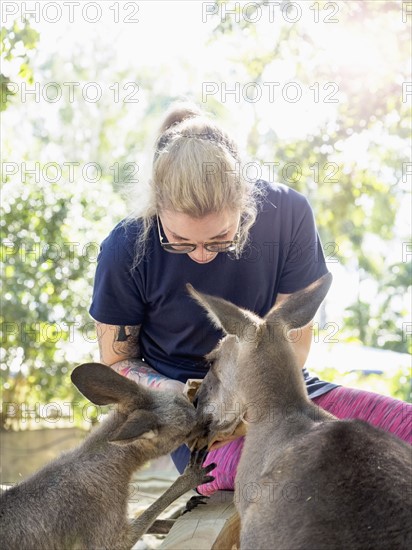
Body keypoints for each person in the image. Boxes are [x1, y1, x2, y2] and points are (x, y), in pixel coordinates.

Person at [89, 102, 411, 495]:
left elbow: (295, 341)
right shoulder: (124, 249)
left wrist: (244, 402)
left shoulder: (288, 214)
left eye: (220, 239)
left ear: (245, 205)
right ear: (156, 210)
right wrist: (181, 396)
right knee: (289, 477)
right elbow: (117, 360)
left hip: (287, 395)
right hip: (199, 426)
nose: (201, 255)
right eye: (181, 242)